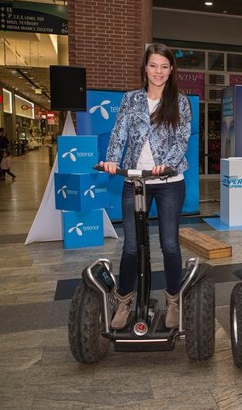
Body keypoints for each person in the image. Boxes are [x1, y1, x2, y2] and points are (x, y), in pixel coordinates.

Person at [101, 43, 191, 330]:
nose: (158, 72)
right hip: (135, 180)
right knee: (130, 247)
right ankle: (124, 301)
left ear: (171, 70)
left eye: (164, 66)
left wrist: (167, 163)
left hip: (168, 182)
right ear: (145, 68)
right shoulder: (131, 99)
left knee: (169, 245)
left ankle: (173, 301)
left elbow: (182, 139)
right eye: (153, 65)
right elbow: (119, 132)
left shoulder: (180, 102)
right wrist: (112, 159)